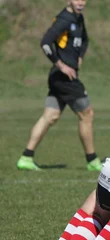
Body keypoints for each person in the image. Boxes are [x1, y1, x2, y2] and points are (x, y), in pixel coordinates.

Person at [16, 0, 101, 172]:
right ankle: (92, 161)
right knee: (87, 113)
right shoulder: (64, 19)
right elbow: (45, 42)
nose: (81, 2)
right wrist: (61, 65)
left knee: (50, 116)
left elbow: (84, 40)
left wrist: (80, 57)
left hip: (60, 78)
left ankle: (26, 157)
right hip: (63, 78)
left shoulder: (79, 18)